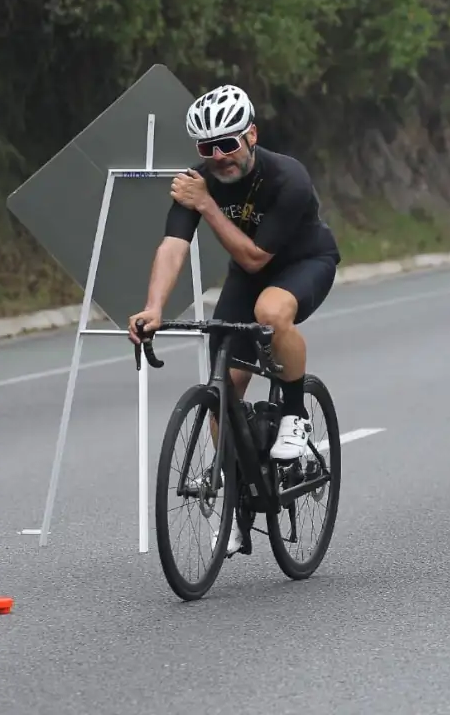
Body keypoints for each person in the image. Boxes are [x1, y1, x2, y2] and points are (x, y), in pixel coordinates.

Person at [128, 84, 341, 555]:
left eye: (228, 144)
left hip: (302, 263)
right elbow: (172, 247)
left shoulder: (287, 177)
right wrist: (154, 308)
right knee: (225, 383)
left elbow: (254, 259)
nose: (219, 157)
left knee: (270, 312)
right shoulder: (198, 182)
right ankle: (237, 496)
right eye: (208, 148)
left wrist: (205, 204)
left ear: (251, 135)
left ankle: (295, 416)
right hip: (248, 274)